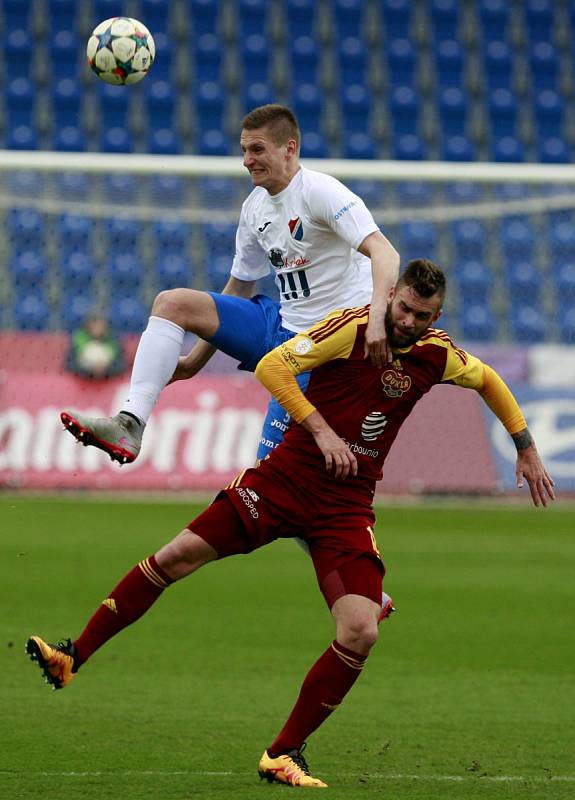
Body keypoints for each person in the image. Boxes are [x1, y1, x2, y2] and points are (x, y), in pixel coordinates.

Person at [26, 260, 554, 788]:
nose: (409, 322)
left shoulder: (437, 354)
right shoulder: (351, 328)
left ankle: (284, 753)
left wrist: (524, 445)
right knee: (176, 556)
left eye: (423, 315)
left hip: (345, 508)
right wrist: (322, 432)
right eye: (404, 309)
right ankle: (72, 655)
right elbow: (273, 367)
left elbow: (488, 380)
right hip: (283, 482)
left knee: (361, 629)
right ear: (391, 296)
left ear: (437, 314)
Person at [60, 103, 400, 465]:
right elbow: (240, 288)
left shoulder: (321, 192)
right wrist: (193, 361)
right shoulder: (255, 208)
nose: (247, 160)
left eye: (257, 150)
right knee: (172, 304)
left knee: (268, 475)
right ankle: (130, 423)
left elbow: (385, 253)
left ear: (290, 148)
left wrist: (377, 319)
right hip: (283, 327)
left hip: (326, 346)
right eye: (244, 150)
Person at [65, 313, 126, 380]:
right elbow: (70, 365)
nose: (97, 328)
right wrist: (90, 370)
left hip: (109, 384)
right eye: (94, 324)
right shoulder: (78, 340)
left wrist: (106, 370)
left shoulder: (114, 341)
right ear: (88, 325)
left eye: (100, 325)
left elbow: (121, 365)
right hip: (82, 383)